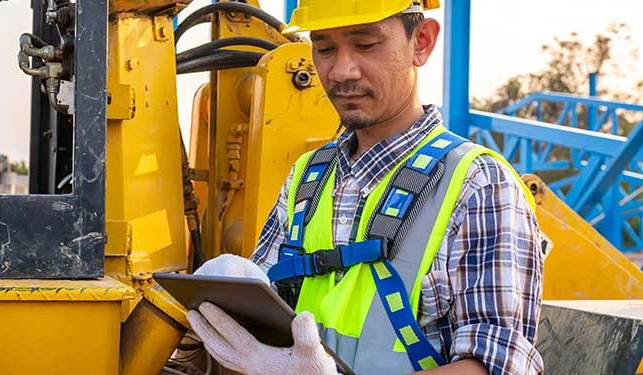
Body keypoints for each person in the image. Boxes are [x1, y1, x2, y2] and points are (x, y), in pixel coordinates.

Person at [185, 1, 546, 374]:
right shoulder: (308, 176)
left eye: (365, 44)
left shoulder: (478, 184)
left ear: (421, 42)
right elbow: (271, 325)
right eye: (324, 48)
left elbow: (498, 365)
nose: (341, 70)